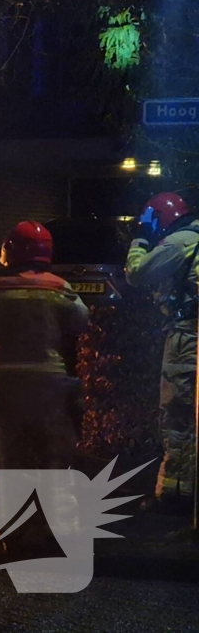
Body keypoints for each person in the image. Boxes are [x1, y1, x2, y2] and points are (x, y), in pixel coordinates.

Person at [0, 221, 89, 472]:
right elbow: (80, 322)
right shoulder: (59, 287)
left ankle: (8, 509)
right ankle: (56, 509)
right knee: (54, 455)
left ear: (9, 249)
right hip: (50, 378)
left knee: (5, 452)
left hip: (5, 378)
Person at [125, 192, 199, 510]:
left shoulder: (180, 241)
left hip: (188, 336)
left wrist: (139, 239)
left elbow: (136, 272)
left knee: (178, 415)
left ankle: (175, 497)